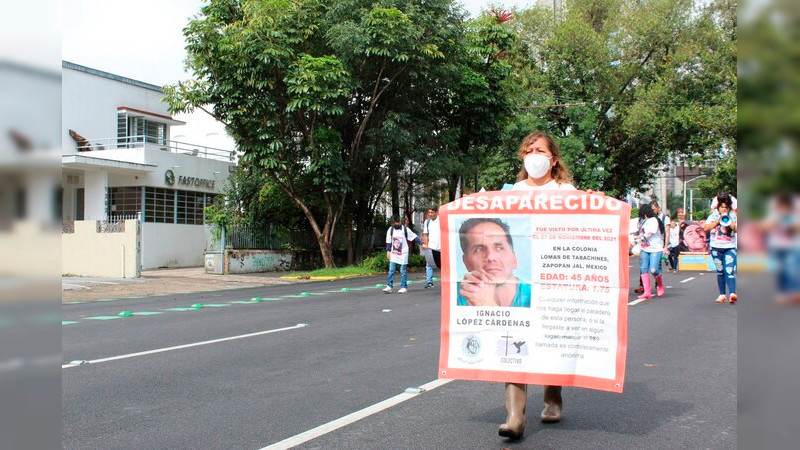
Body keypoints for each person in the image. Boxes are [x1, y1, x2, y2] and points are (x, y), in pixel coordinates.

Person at [485, 132, 577, 440]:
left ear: (552, 159)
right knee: (515, 341)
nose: (532, 154)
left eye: (538, 150)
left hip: (556, 277)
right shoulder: (511, 192)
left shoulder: (566, 191)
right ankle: (515, 417)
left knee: (551, 339)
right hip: (521, 277)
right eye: (527, 150)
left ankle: (552, 397)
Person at [457, 218, 531, 307]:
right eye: (479, 249)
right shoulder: (454, 296)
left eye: (499, 248)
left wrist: (487, 306)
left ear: (514, 258)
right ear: (466, 262)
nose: (491, 257)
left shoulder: (536, 296)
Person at [703, 194, 738, 304]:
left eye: (726, 207)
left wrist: (731, 221)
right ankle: (722, 295)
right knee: (720, 271)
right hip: (716, 248)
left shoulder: (733, 216)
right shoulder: (713, 216)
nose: (724, 209)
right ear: (718, 207)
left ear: (729, 208)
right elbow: (705, 228)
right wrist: (717, 221)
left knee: (729, 270)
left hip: (730, 247)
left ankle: (732, 293)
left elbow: (737, 229)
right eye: (722, 207)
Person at [383, 215, 421, 294]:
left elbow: (414, 237)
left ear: (399, 222)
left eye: (395, 224)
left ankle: (403, 287)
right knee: (391, 270)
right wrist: (388, 251)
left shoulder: (405, 230)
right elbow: (389, 242)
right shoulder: (390, 230)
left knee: (403, 270)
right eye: (392, 224)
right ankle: (389, 286)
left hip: (403, 253)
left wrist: (422, 243)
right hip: (394, 253)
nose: (394, 226)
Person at [637, 203, 666, 299]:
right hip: (645, 248)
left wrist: (640, 238)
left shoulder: (653, 220)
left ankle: (660, 285)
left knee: (654, 269)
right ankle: (647, 292)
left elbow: (649, 233)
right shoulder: (643, 221)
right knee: (643, 269)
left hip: (655, 249)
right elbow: (640, 233)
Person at [421, 207, 441, 288]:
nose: (430, 214)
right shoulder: (427, 222)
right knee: (429, 264)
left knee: (443, 265)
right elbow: (425, 234)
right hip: (431, 247)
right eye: (429, 212)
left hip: (441, 247)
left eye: (432, 212)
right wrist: (426, 244)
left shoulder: (441, 220)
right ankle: (429, 282)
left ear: (436, 212)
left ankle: (445, 282)